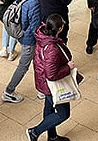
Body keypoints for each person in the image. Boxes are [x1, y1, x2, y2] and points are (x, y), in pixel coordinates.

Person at [27, 13, 81, 141]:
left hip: (43, 82)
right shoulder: (52, 48)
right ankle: (34, 132)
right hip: (51, 85)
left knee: (49, 109)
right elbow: (52, 75)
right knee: (63, 114)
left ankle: (52, 136)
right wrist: (68, 67)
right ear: (59, 29)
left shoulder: (43, 37)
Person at [2, 0, 42, 103]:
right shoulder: (34, 2)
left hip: (21, 33)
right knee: (23, 66)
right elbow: (34, 26)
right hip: (28, 39)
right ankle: (9, 91)